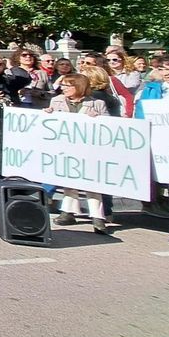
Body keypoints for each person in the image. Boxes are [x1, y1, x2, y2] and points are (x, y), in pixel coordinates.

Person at [47, 74, 110, 235]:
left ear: (80, 86)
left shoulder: (97, 103)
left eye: (68, 85)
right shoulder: (57, 101)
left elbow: (110, 126)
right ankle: (68, 212)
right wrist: (46, 114)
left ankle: (97, 217)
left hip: (89, 150)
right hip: (66, 148)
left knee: (92, 183)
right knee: (68, 181)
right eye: (63, 85)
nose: (64, 88)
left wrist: (99, 118)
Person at [135, 54, 169, 245]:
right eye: (163, 69)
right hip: (165, 147)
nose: (166, 73)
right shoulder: (152, 90)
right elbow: (142, 114)